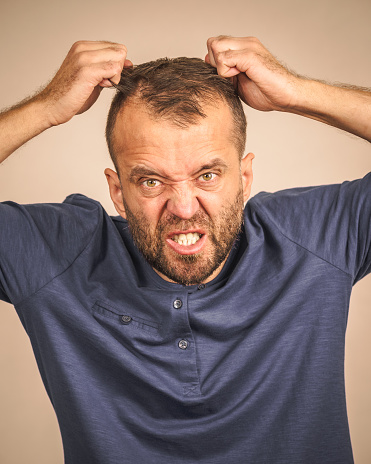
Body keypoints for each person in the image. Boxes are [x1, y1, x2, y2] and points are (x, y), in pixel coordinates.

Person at [0, 36, 370, 464]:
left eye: (208, 175)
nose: (183, 208)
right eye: (151, 182)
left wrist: (297, 92)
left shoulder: (314, 238)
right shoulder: (58, 256)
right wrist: (45, 107)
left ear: (245, 178)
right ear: (118, 192)